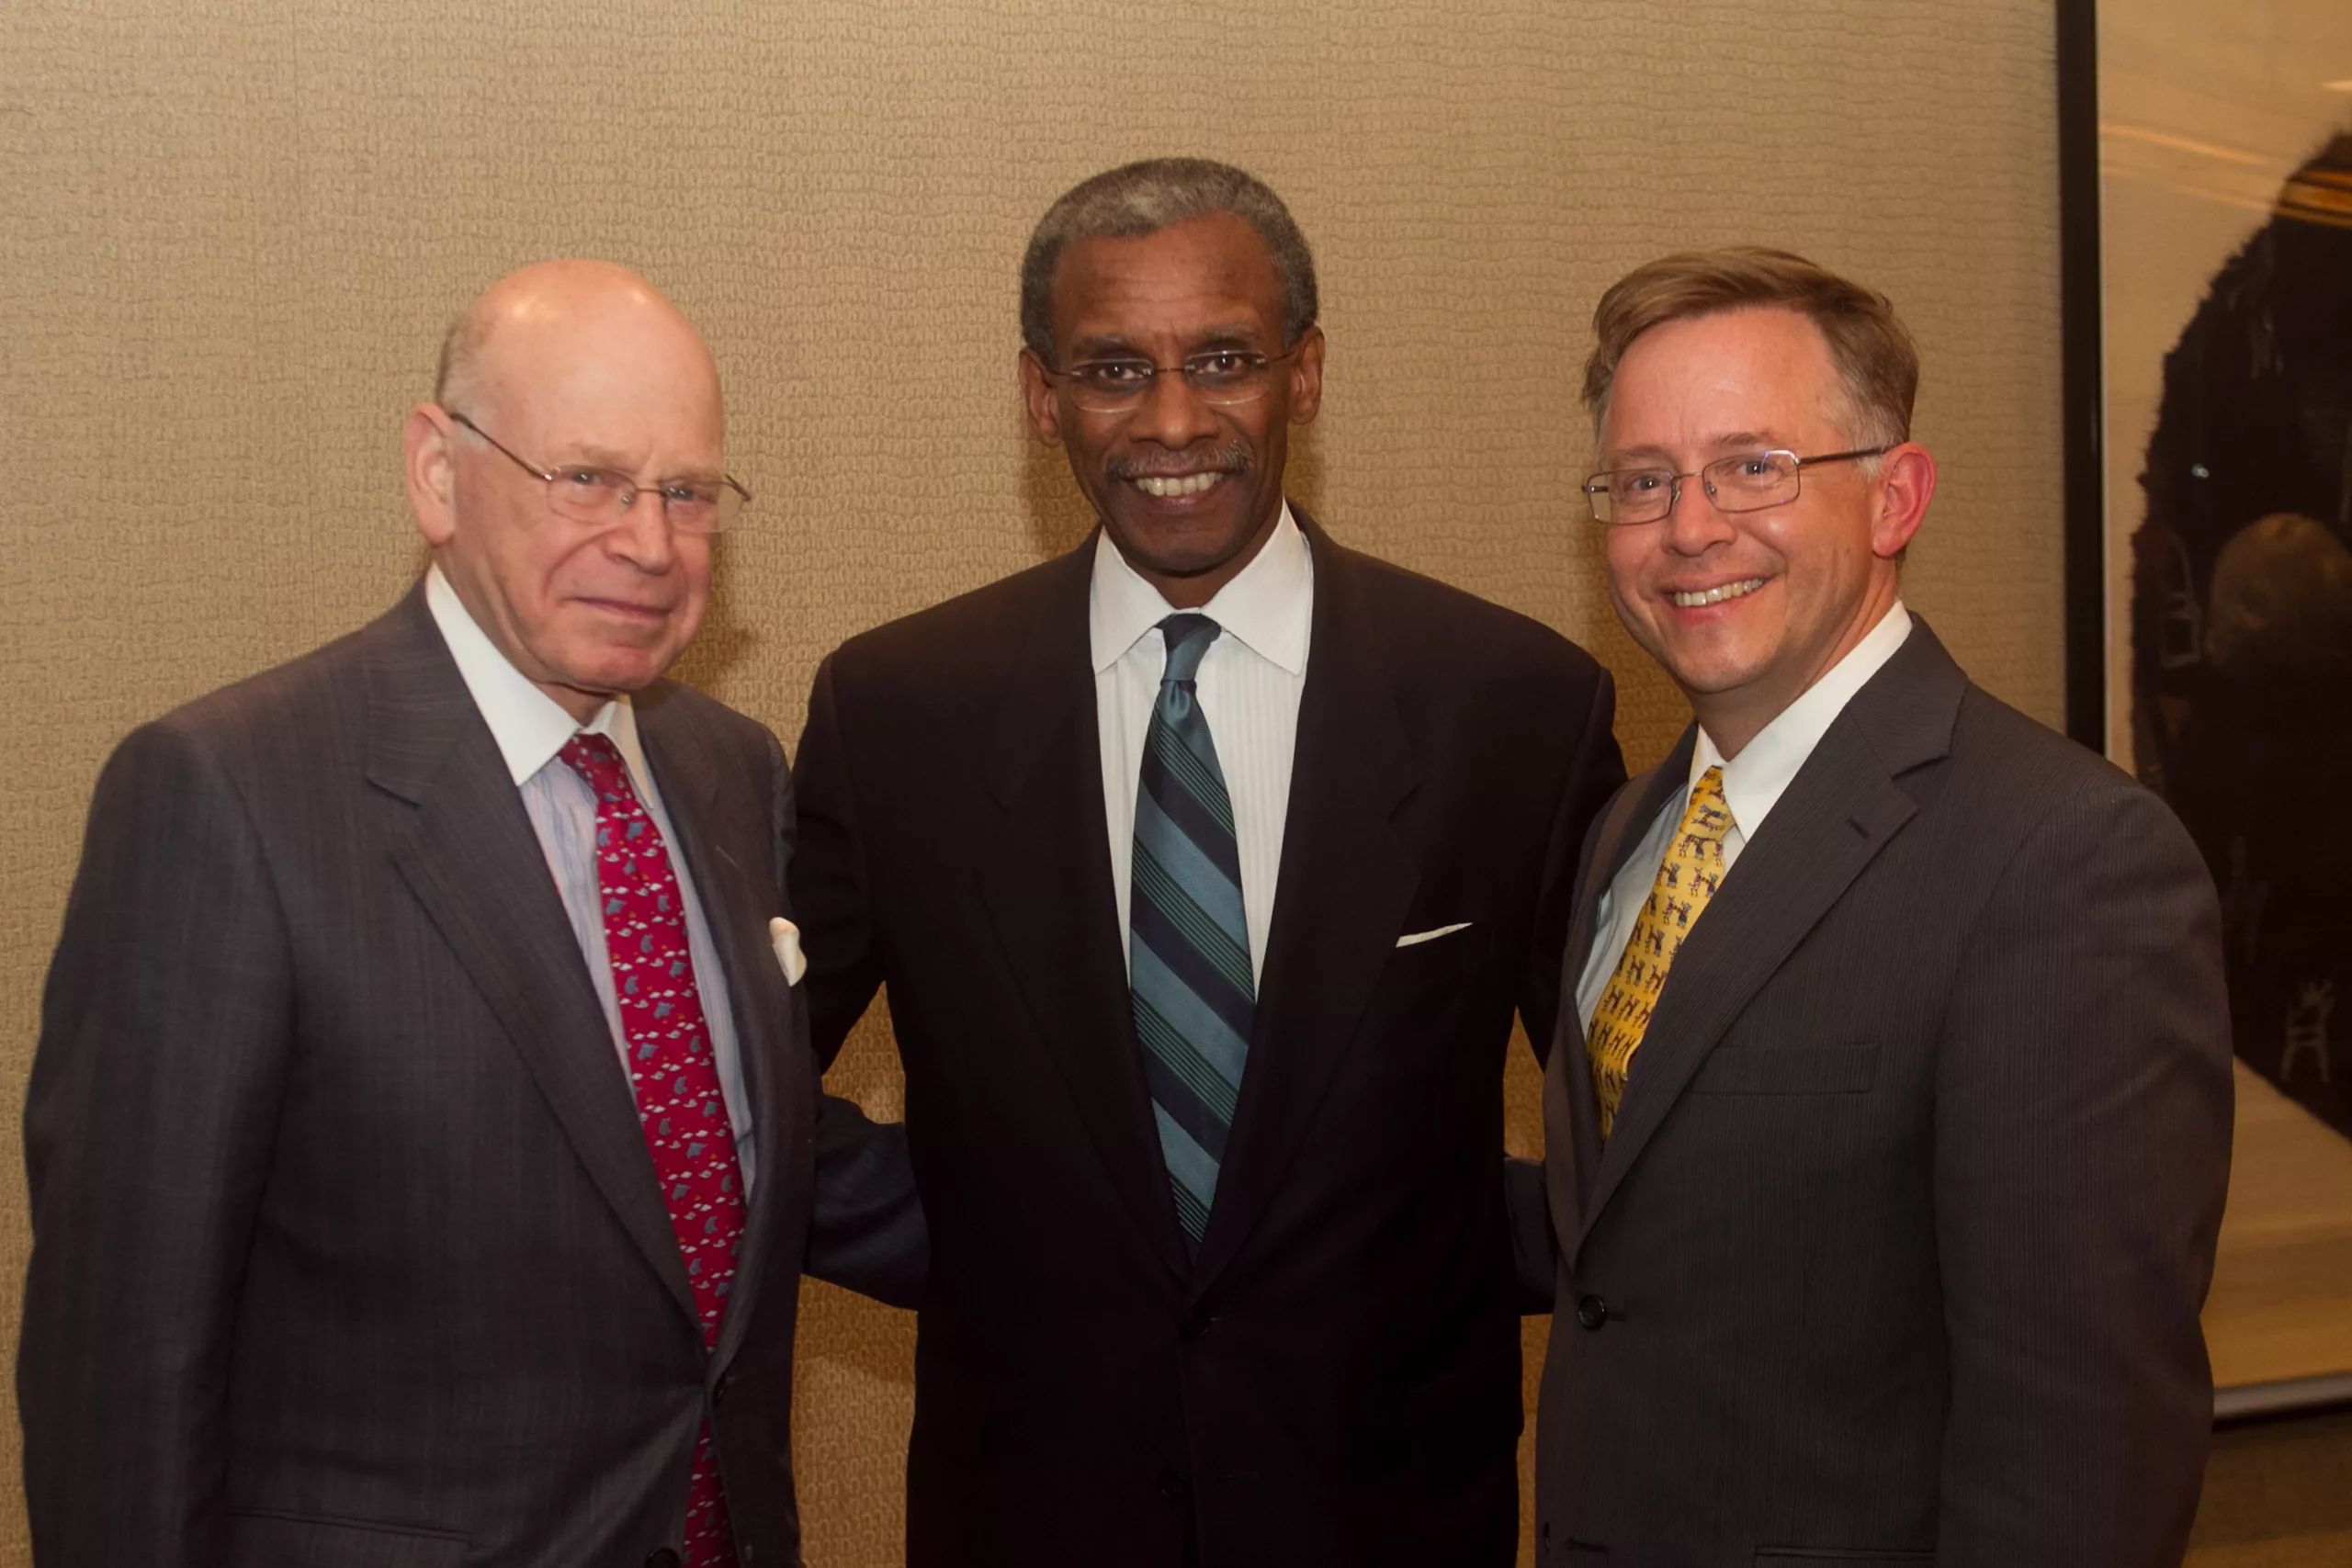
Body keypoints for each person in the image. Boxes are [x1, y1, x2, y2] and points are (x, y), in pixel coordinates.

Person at [20, 259, 923, 1568]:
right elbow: (124, 1366)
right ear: (438, 472)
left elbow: (716, 1151)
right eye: (589, 479)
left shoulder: (729, 770)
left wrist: (1127, 1216)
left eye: (685, 492)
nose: (650, 543)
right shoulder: (230, 795)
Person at [789, 158, 1624, 1566]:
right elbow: (734, 1088)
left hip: (1393, 1512)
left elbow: (1637, 1131)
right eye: (1113, 368)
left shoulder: (1513, 705)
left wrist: (1434, 1261)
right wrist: (976, 1239)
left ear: (1303, 375)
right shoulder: (898, 709)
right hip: (1029, 1517)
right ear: (1041, 394)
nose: (1172, 420)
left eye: (1222, 359)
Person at [1522, 247, 2233, 1565]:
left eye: (1753, 467)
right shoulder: (1633, 826)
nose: (1688, 527)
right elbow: (1648, 1221)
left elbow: (2082, 1452)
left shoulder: (2066, 863)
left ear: (1896, 496)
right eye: (1643, 481)